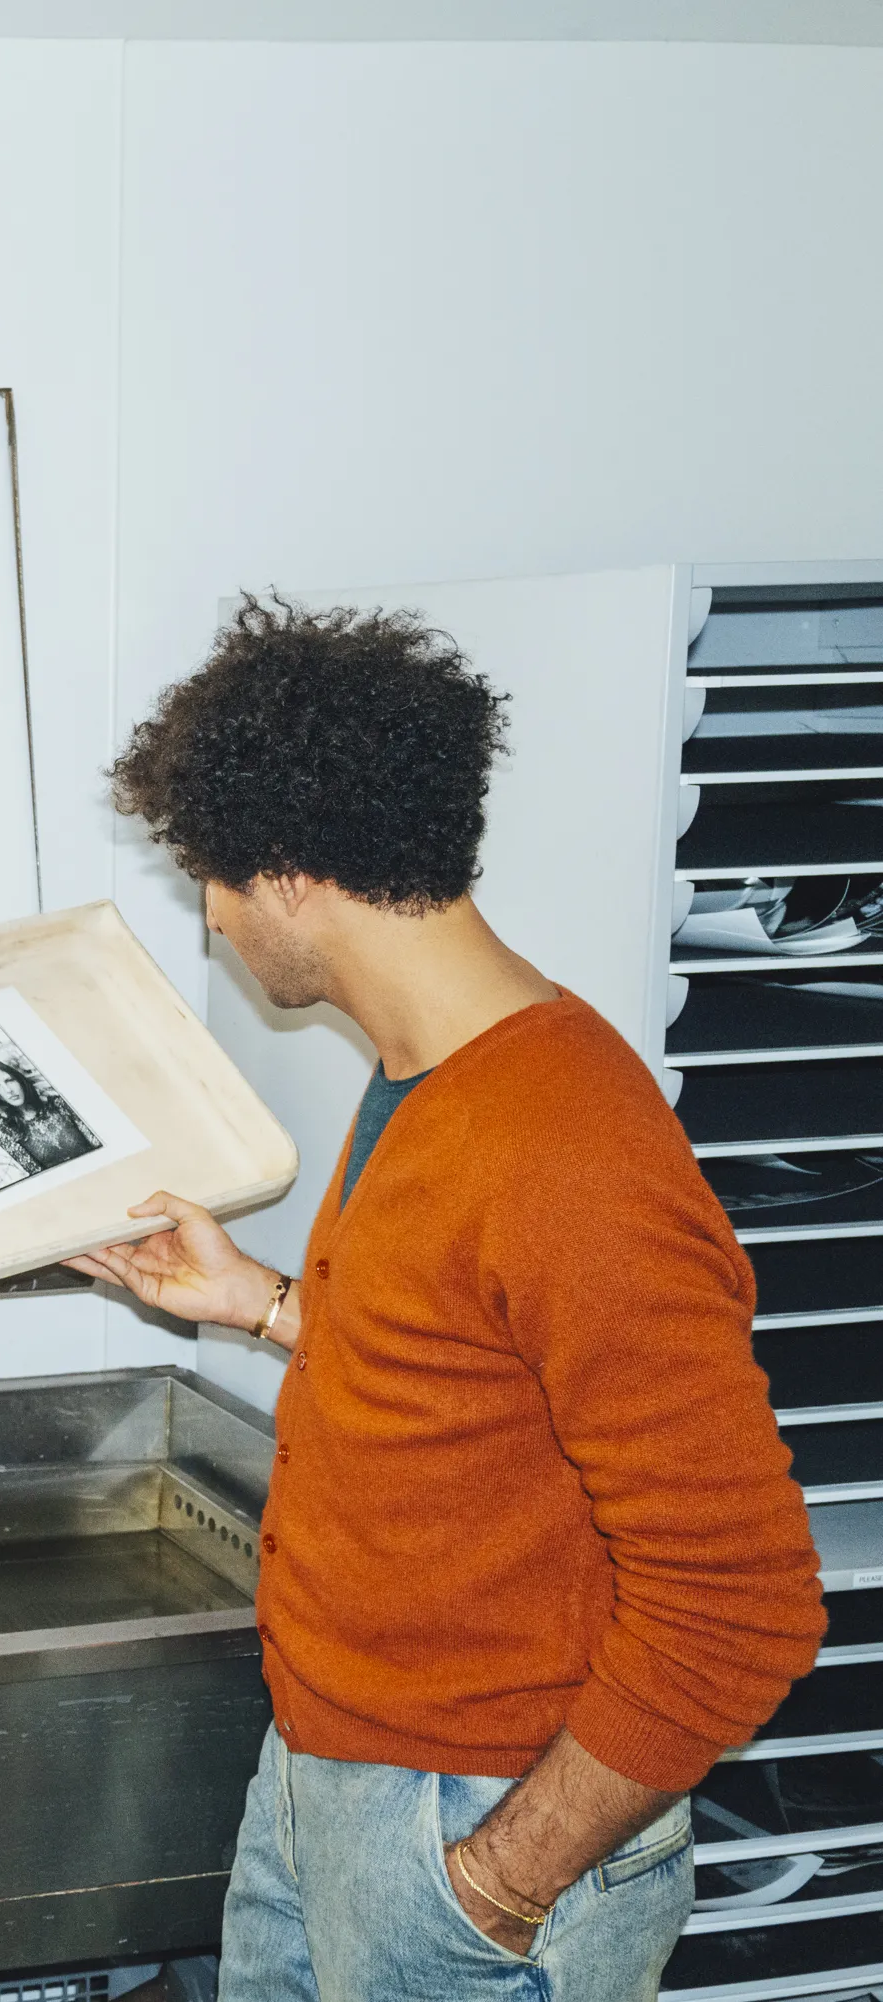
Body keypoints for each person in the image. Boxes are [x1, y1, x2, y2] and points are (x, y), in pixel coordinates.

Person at [78, 597, 823, 2000]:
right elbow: (477, 1371)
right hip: (328, 1782)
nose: (217, 919)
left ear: (294, 875)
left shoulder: (564, 1146)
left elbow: (746, 1603)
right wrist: (261, 1304)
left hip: (473, 1829)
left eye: (214, 883)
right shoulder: (429, 1073)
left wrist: (497, 1877)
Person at [0, 1056, 93, 1171]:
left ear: (19, 1079)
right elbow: (36, 1171)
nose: (8, 1090)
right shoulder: (1, 1126)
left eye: (9, 1080)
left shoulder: (57, 1103)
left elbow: (95, 1141)